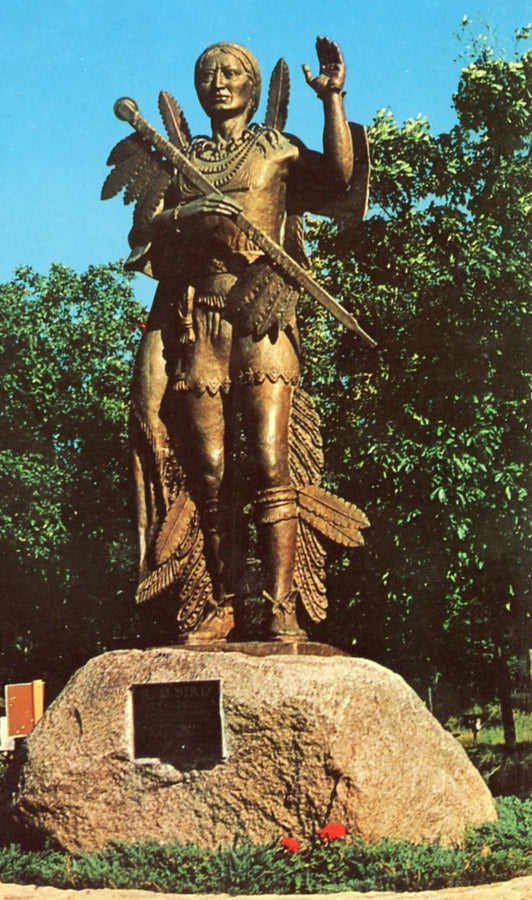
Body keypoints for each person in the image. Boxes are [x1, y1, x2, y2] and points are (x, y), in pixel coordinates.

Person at [115, 37, 368, 643]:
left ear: (253, 88)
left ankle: (281, 605)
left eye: (232, 73)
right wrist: (187, 211)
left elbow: (337, 177)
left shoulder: (276, 148)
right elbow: (143, 234)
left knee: (268, 458)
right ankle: (224, 602)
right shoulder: (181, 159)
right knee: (206, 471)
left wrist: (332, 101)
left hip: (263, 313)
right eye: (208, 74)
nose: (219, 82)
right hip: (198, 319)